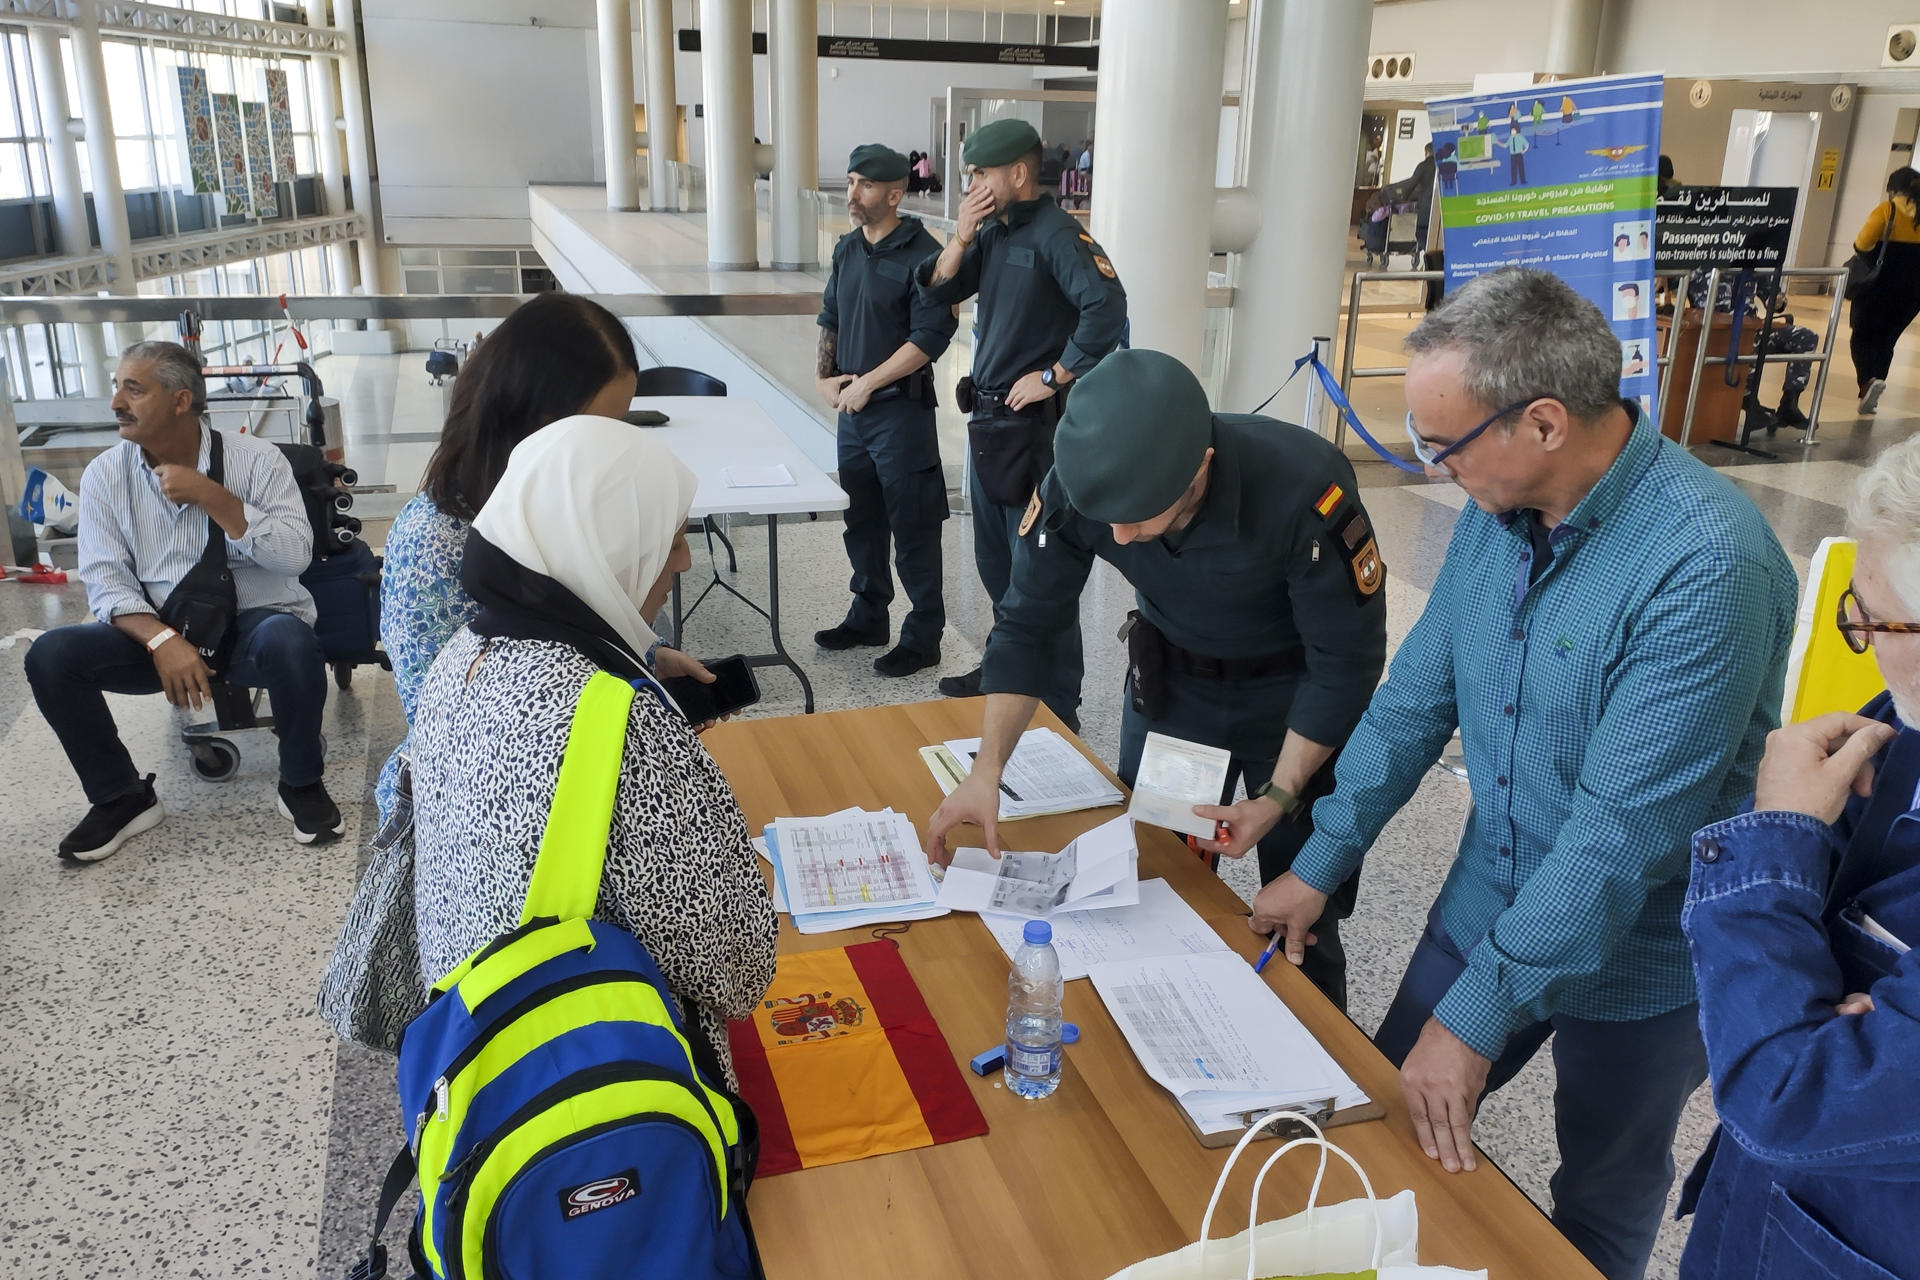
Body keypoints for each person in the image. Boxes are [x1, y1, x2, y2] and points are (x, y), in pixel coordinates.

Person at [1249, 267, 1798, 1280]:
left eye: (1441, 443)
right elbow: (1414, 703)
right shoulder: (1497, 514)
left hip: (1642, 964)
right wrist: (1319, 859)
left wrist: (1475, 1015)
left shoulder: (1707, 563)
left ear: (1543, 423)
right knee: (1384, 1121)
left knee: (1598, 1200)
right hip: (1486, 901)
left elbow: (1617, 838)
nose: (1429, 467)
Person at [926, 350, 1386, 1008]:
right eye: (1109, 518)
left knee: (1299, 914)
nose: (1119, 534)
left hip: (1296, 709)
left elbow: (1346, 663)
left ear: (1200, 465)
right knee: (1147, 884)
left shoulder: (1304, 487)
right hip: (1177, 700)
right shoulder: (1086, 481)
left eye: (1141, 516)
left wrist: (1279, 797)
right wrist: (986, 770)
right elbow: (1028, 626)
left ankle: (1319, 1058)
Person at [409, 414, 777, 1089]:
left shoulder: (458, 659)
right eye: (667, 539)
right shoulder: (621, 726)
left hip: (476, 1060)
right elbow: (736, 970)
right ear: (600, 546)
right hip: (603, 1094)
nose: (684, 562)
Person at [1674, 435, 1920, 1280]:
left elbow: (1789, 1095)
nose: (1866, 642)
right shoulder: (1903, 719)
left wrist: (1774, 841)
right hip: (1770, 1216)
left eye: (1875, 620)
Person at [377, 292, 702, 822]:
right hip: (481, 808)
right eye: (598, 425)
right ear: (536, 417)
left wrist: (648, 655)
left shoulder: (574, 504)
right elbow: (445, 716)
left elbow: (581, 624)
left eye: (621, 424)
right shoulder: (433, 538)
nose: (608, 445)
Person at [27, 340, 342, 859]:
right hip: (159, 633)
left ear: (179, 400)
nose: (116, 403)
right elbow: (106, 579)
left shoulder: (256, 461)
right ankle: (121, 796)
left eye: (134, 389)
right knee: (51, 656)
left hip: (250, 627)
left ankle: (301, 782)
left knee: (290, 640)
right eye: (116, 388)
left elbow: (294, 558)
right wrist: (162, 639)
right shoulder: (107, 474)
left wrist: (213, 496)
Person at [915, 117, 1127, 731]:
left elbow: (1107, 308)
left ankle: (1061, 706)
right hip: (990, 429)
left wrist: (1057, 375)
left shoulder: (1060, 235)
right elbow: (934, 294)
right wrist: (959, 236)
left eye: (981, 174)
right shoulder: (993, 233)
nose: (974, 184)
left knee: (1042, 570)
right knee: (995, 564)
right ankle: (1004, 669)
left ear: (1018, 173)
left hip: (1034, 433)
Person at [813, 144, 959, 678]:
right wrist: (824, 377)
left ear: (895, 194)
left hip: (900, 412)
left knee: (914, 525)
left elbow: (930, 337)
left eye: (864, 185)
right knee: (863, 521)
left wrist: (870, 383)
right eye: (850, 182)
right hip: (853, 411)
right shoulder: (847, 249)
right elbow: (830, 314)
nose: (852, 194)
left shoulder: (927, 255)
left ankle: (923, 637)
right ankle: (868, 615)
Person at [1848, 165, 1920, 416]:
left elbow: (1862, 243)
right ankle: (1876, 383)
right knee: (1887, 340)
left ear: (1892, 189)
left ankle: (1868, 382)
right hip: (1913, 292)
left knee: (1862, 336)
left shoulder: (1886, 210)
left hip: (1878, 286)